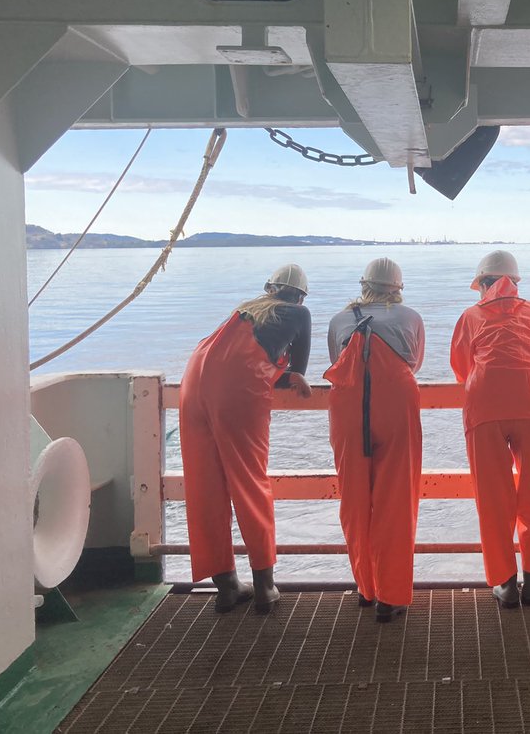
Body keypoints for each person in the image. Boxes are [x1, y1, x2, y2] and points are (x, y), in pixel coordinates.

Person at [178, 264, 313, 614]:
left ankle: (225, 587)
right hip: (236, 388)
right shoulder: (298, 313)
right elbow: (296, 370)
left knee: (205, 486)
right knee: (250, 483)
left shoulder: (245, 309)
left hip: (193, 382)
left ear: (269, 288)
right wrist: (293, 379)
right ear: (300, 295)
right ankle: (265, 588)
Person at [450, 250, 530, 608]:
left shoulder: (470, 316)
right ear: (515, 283)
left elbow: (462, 368)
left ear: (482, 284)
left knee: (493, 499)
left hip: (484, 409)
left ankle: (505, 584)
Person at [325, 258, 425, 623]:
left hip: (347, 408)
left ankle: (366, 589)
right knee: (395, 501)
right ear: (397, 288)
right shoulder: (410, 317)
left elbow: (336, 361)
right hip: (396, 404)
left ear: (363, 283)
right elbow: (413, 361)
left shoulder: (338, 319)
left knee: (354, 500)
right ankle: (391, 596)